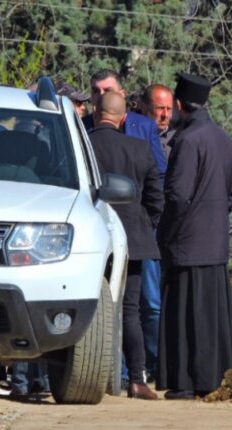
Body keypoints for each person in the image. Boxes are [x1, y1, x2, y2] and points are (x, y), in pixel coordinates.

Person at [156, 73, 232, 400]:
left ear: (179, 105)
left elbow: (177, 196)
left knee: (186, 312)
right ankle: (213, 378)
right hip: (215, 240)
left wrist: (167, 233)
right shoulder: (222, 137)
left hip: (188, 241)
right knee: (210, 314)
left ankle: (186, 380)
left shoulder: (188, 141)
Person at [83, 69, 166, 384]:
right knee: (131, 309)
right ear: (122, 118)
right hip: (134, 238)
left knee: (92, 306)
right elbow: (157, 199)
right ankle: (136, 378)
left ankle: (97, 375)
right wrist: (143, 222)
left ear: (96, 111)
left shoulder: (84, 146)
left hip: (91, 239)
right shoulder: (139, 149)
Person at [143, 84, 177, 160]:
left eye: (169, 109)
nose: (165, 115)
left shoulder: (177, 140)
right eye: (160, 108)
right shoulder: (130, 133)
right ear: (145, 108)